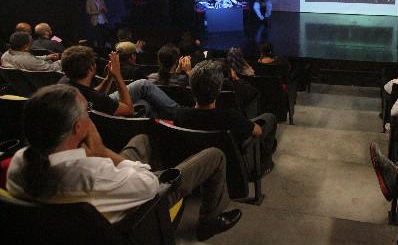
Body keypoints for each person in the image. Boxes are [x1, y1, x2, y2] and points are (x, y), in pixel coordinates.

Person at [6, 84, 241, 241]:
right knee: (213, 154)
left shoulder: (19, 161)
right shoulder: (95, 172)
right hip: (145, 210)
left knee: (142, 140)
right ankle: (209, 221)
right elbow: (150, 186)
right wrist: (102, 152)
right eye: (86, 112)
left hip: (102, 194)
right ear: (79, 128)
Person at [175, 60, 278, 175]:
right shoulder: (230, 117)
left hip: (196, 168)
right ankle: (265, 165)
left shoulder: (180, 114)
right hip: (234, 169)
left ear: (191, 87)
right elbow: (258, 132)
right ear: (219, 89)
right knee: (270, 118)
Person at [60, 46, 179, 119]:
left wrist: (109, 77)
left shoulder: (66, 82)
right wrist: (117, 75)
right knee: (144, 87)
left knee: (144, 94)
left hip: (96, 104)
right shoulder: (97, 99)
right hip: (106, 109)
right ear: (91, 68)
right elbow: (128, 109)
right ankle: (180, 113)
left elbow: (93, 93)